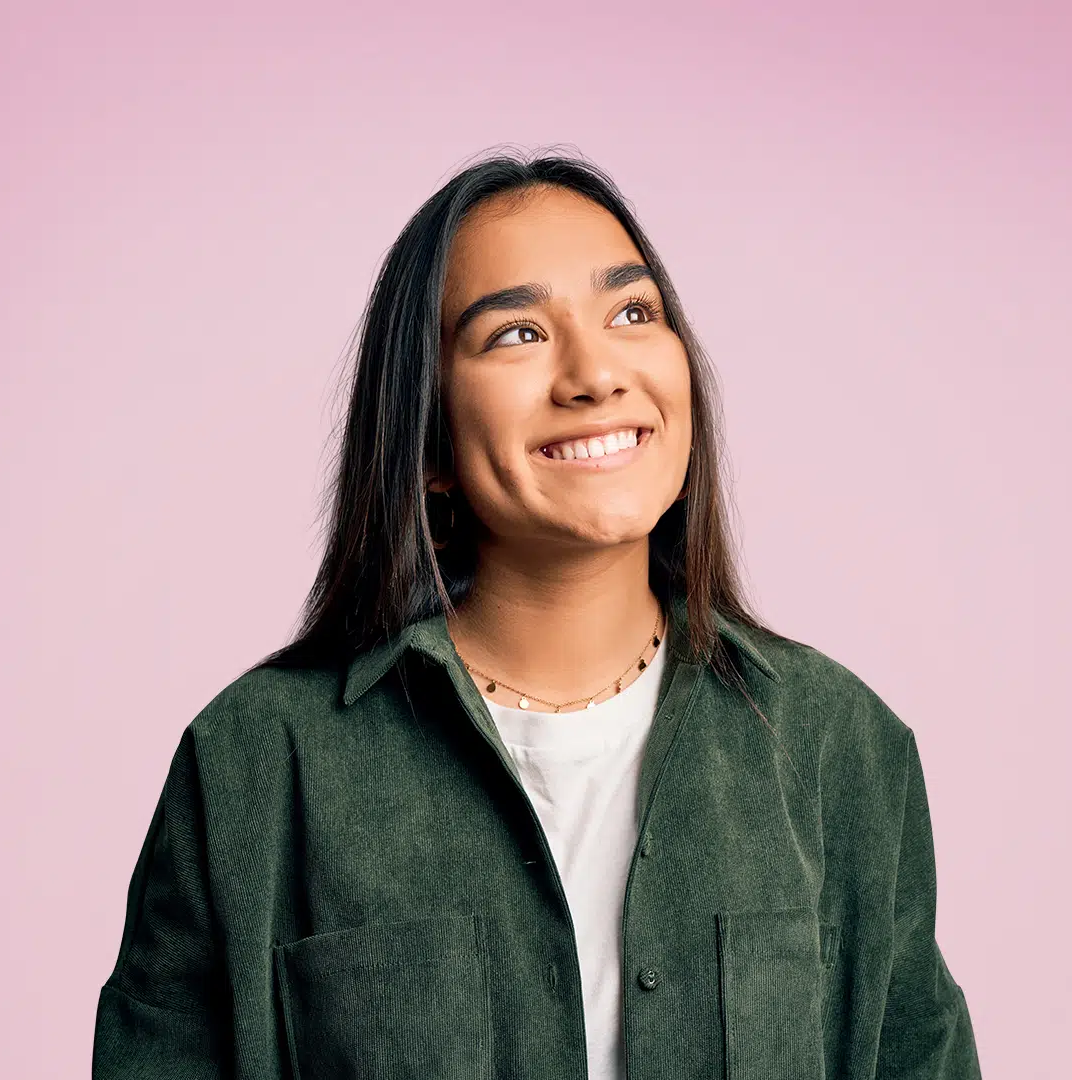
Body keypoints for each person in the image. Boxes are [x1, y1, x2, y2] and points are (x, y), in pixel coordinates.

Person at [92, 149, 982, 1080]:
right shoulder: (255, 766)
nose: (595, 374)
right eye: (517, 333)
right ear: (426, 436)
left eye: (633, 312)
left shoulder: (840, 745)